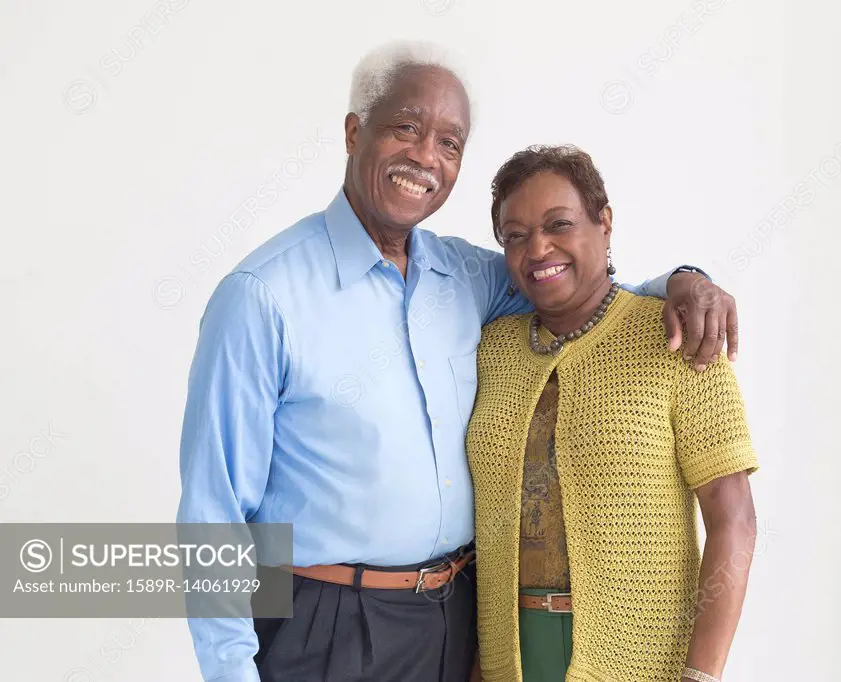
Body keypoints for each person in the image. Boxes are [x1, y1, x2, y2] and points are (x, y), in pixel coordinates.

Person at [176, 41, 742, 682]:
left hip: (457, 624)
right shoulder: (262, 296)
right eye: (407, 129)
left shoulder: (468, 276)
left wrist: (683, 280)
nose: (426, 157)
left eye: (450, 143)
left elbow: (576, 287)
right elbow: (212, 514)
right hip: (323, 621)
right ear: (354, 132)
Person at [467, 144, 760, 682]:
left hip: (639, 657)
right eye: (515, 236)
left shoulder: (677, 338)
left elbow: (734, 520)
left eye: (559, 223)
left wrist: (703, 675)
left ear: (604, 223)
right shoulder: (491, 350)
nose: (538, 248)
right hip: (509, 657)